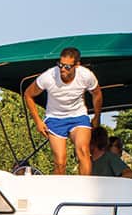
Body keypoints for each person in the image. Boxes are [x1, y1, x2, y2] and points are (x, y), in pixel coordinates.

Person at [23, 47, 103, 175]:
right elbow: (28, 94)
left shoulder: (86, 75)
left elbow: (97, 94)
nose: (62, 69)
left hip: (78, 116)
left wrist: (97, 116)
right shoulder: (49, 76)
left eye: (67, 66)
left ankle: (85, 190)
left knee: (83, 151)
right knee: (60, 162)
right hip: (55, 118)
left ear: (76, 65)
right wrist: (38, 121)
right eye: (60, 65)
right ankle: (59, 193)